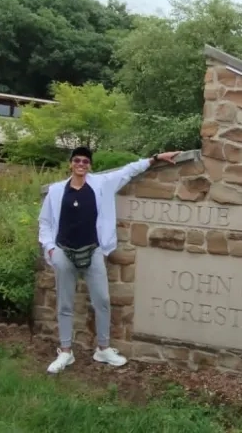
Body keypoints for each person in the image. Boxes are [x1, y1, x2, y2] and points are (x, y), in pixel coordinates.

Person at [38, 146, 181, 373]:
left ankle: (103, 348)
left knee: (102, 300)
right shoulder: (57, 191)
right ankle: (65, 351)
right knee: (65, 304)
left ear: (90, 165)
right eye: (77, 160)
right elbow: (45, 222)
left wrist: (155, 159)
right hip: (64, 252)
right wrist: (51, 249)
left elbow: (128, 171)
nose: (81, 165)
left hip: (93, 250)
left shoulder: (101, 184)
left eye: (85, 161)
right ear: (71, 164)